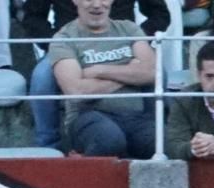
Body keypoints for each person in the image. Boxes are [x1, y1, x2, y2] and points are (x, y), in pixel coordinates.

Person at [49, 0, 157, 158]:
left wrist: (99, 70)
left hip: (136, 116)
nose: (97, 4)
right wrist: (130, 71)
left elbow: (152, 73)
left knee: (164, 143)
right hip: (88, 116)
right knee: (110, 140)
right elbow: (76, 91)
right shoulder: (64, 38)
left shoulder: (129, 29)